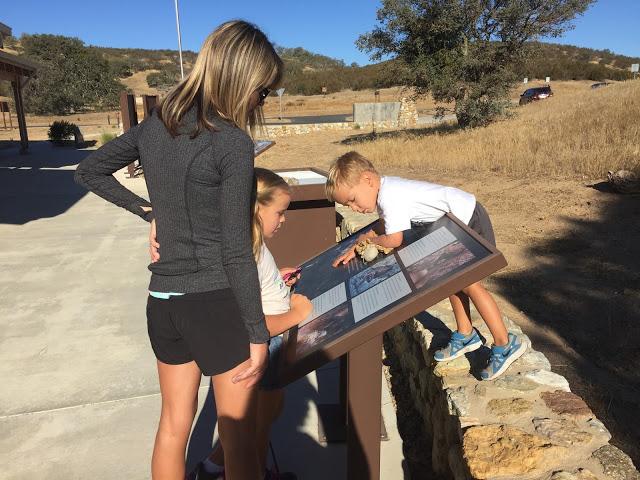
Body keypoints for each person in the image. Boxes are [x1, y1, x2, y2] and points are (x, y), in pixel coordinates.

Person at [74, 20, 284, 480]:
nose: (262, 102)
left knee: (173, 425)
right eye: (264, 91)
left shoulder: (155, 127)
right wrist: (257, 333)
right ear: (242, 79)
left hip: (163, 302)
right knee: (239, 441)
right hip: (214, 303)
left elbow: (89, 172)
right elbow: (235, 250)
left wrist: (147, 210)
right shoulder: (231, 141)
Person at [325, 151, 528, 381]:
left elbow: (394, 240)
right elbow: (383, 225)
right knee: (452, 280)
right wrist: (357, 246)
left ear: (367, 180)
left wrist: (369, 242)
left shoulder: (390, 196)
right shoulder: (385, 191)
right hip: (453, 224)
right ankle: (466, 333)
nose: (352, 207)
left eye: (352, 199)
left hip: (468, 220)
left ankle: (505, 343)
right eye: (346, 204)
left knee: (471, 285)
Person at [194, 168, 312, 480]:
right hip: (260, 348)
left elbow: (256, 288)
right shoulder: (244, 250)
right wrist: (295, 315)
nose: (284, 220)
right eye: (280, 212)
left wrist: (278, 280)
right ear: (256, 208)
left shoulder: (248, 242)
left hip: (266, 344)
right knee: (256, 428)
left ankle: (213, 467)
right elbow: (248, 322)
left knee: (266, 416)